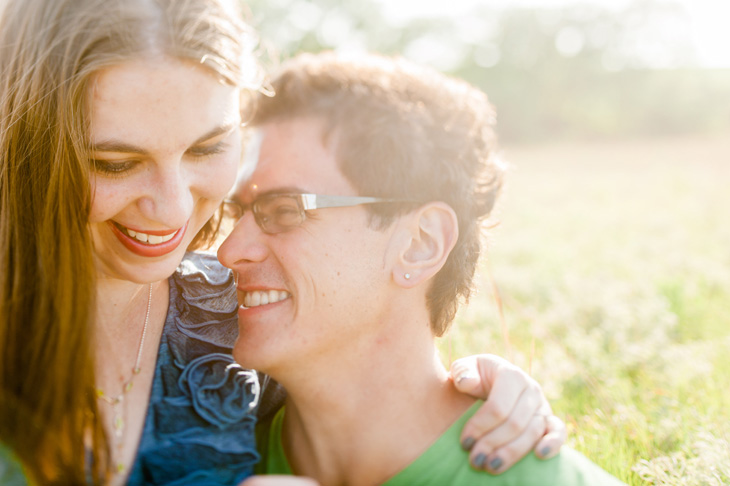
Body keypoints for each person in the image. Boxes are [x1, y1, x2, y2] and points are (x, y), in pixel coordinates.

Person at [0, 1, 565, 485]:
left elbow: (377, 381)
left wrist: (474, 403)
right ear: (25, 146)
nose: (173, 208)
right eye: (115, 163)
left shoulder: (238, 320)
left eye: (206, 150)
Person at [218, 52, 623, 485]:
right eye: (234, 211)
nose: (229, 250)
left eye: (284, 210)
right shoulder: (198, 454)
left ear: (419, 244)